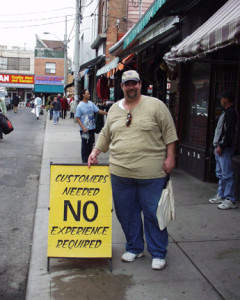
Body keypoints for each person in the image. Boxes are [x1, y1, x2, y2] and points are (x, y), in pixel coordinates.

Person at [88, 70, 178, 270]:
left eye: (134, 83)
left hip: (152, 173)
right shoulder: (113, 110)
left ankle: (158, 252)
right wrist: (95, 152)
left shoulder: (156, 106)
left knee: (153, 213)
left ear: (140, 85)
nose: (131, 87)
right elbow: (105, 134)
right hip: (120, 173)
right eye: (127, 84)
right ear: (121, 87)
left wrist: (170, 157)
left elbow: (170, 133)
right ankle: (134, 247)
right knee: (126, 213)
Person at [209, 91, 239, 210]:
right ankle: (221, 195)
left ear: (226, 99)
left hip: (225, 148)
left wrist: (221, 145)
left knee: (226, 174)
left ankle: (230, 199)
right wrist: (217, 146)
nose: (220, 100)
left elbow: (229, 132)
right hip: (220, 147)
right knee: (221, 173)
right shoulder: (227, 112)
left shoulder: (231, 112)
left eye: (222, 98)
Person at [75, 89, 107, 163]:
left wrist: (107, 113)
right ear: (83, 95)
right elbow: (77, 118)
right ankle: (84, 159)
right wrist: (83, 127)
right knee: (84, 144)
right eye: (88, 93)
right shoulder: (80, 106)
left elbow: (98, 111)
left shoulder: (91, 104)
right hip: (84, 129)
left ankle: (90, 158)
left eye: (89, 93)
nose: (89, 95)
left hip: (92, 128)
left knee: (91, 144)